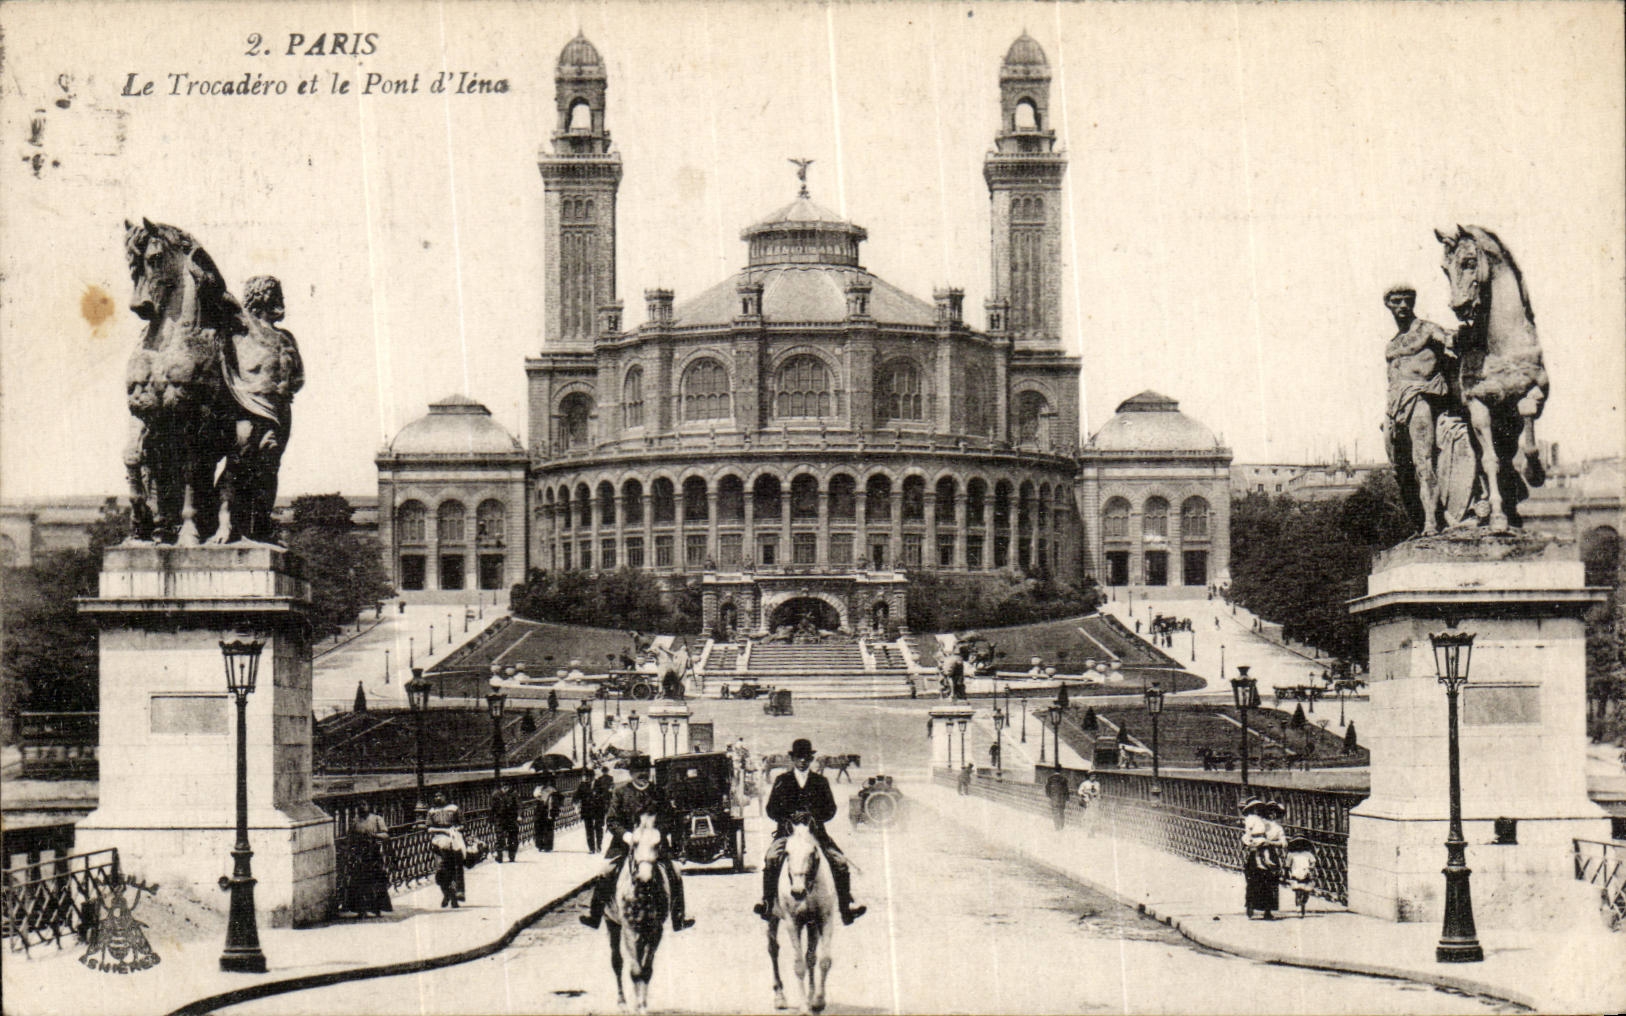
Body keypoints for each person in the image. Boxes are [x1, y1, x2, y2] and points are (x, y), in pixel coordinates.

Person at [755, 738, 867, 925]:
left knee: (839, 861)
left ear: (811, 759)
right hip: (787, 833)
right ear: (792, 759)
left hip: (815, 834)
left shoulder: (820, 781)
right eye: (799, 757)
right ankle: (767, 902)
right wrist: (789, 817)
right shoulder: (782, 780)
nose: (802, 761)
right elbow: (771, 809)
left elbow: (830, 808)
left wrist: (812, 816)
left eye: (806, 757)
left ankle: (846, 907)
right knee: (771, 858)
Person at [579, 755, 694, 932]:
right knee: (605, 871)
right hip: (625, 845)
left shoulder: (659, 792)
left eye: (645, 771)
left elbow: (669, 818)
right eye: (638, 771)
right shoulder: (620, 792)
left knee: (675, 871)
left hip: (654, 845)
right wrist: (625, 835)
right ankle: (595, 916)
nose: (642, 775)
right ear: (631, 773)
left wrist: (658, 832)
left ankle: (679, 918)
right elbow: (612, 820)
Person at [339, 799, 393, 917]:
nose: (361, 807)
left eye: (364, 804)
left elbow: (386, 834)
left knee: (376, 881)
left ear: (369, 806)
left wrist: (375, 835)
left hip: (373, 854)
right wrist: (348, 852)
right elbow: (350, 838)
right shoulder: (355, 821)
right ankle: (361, 910)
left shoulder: (377, 819)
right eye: (359, 805)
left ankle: (377, 908)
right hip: (359, 855)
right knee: (359, 883)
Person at [1240, 798, 1287, 920]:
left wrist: (1270, 843)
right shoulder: (1259, 822)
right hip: (1255, 852)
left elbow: (1283, 843)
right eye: (1270, 811)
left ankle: (1268, 911)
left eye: (1275, 812)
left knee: (1270, 883)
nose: (1272, 814)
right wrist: (1249, 842)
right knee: (1253, 881)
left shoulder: (1278, 828)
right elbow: (1247, 835)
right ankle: (1250, 905)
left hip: (1270, 854)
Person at [426, 793, 466, 907]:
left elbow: (463, 824)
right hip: (438, 844)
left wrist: (455, 829)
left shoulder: (454, 808)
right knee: (440, 872)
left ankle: (456, 895)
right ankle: (446, 893)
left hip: (454, 842)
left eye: (440, 796)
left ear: (446, 797)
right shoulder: (432, 811)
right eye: (436, 796)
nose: (438, 798)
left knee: (456, 869)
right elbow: (428, 827)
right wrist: (443, 831)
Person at [1284, 837, 1317, 918]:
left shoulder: (1308, 854)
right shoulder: (1291, 854)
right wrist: (1286, 874)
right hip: (1296, 874)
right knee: (1298, 891)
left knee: (1306, 892)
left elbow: (1313, 862)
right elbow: (1287, 865)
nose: (1299, 846)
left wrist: (1311, 867)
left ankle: (1303, 904)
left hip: (1306, 873)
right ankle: (1299, 909)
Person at [490, 781, 520, 863]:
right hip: (500, 819)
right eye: (503, 787)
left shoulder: (513, 794)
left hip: (511, 818)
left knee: (513, 837)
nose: (505, 789)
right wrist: (491, 820)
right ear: (501, 787)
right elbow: (492, 808)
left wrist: (519, 815)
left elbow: (518, 806)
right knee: (500, 837)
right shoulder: (496, 795)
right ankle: (499, 856)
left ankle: (512, 855)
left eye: (507, 787)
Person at [533, 776, 561, 852]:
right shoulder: (538, 789)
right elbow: (535, 797)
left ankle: (547, 845)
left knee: (548, 827)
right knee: (539, 827)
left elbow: (556, 799)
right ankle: (540, 844)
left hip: (548, 809)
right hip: (539, 809)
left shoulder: (552, 790)